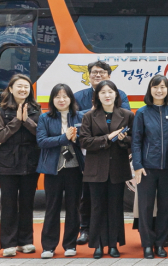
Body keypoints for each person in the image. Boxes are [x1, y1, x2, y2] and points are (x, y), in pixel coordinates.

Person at [73, 60, 130, 247]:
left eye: (102, 72)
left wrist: (118, 138)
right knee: (87, 197)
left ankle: (113, 242)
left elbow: (126, 124)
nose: (98, 75)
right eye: (94, 72)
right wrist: (90, 113)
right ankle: (85, 229)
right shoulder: (79, 96)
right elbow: (75, 118)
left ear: (109, 75)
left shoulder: (121, 96)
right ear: (88, 76)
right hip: (87, 156)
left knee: (113, 205)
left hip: (115, 160)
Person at [80, 80, 135, 259]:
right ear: (97, 96)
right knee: (97, 208)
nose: (107, 95)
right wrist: (107, 138)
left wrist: (122, 140)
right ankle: (97, 245)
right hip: (96, 170)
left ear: (116, 95)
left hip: (118, 169)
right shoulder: (89, 116)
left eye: (110, 91)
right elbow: (85, 141)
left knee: (115, 208)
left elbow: (135, 140)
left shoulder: (127, 115)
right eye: (103, 92)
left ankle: (113, 244)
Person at [132, 75, 168, 259]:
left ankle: (160, 243)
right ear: (150, 89)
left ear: (167, 89)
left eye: (162, 87)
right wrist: (137, 165)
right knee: (145, 208)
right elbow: (136, 141)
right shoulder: (142, 113)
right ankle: (147, 244)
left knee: (164, 207)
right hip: (147, 169)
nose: (159, 90)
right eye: (155, 87)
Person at [0, 74, 42, 257]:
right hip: (7, 162)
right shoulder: (3, 111)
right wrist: (17, 121)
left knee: (27, 203)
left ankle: (26, 241)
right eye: (19, 86)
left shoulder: (36, 110)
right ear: (11, 89)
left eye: (26, 87)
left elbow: (41, 134)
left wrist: (27, 120)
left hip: (31, 161)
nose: (23, 89)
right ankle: (8, 243)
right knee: (8, 203)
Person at [38, 83, 85, 259]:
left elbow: (86, 140)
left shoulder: (80, 116)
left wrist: (76, 138)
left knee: (73, 207)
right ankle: (48, 246)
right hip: (53, 169)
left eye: (65, 96)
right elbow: (41, 141)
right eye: (57, 96)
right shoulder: (45, 118)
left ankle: (70, 244)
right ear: (52, 100)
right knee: (52, 207)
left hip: (74, 169)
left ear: (71, 99)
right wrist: (63, 138)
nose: (62, 99)